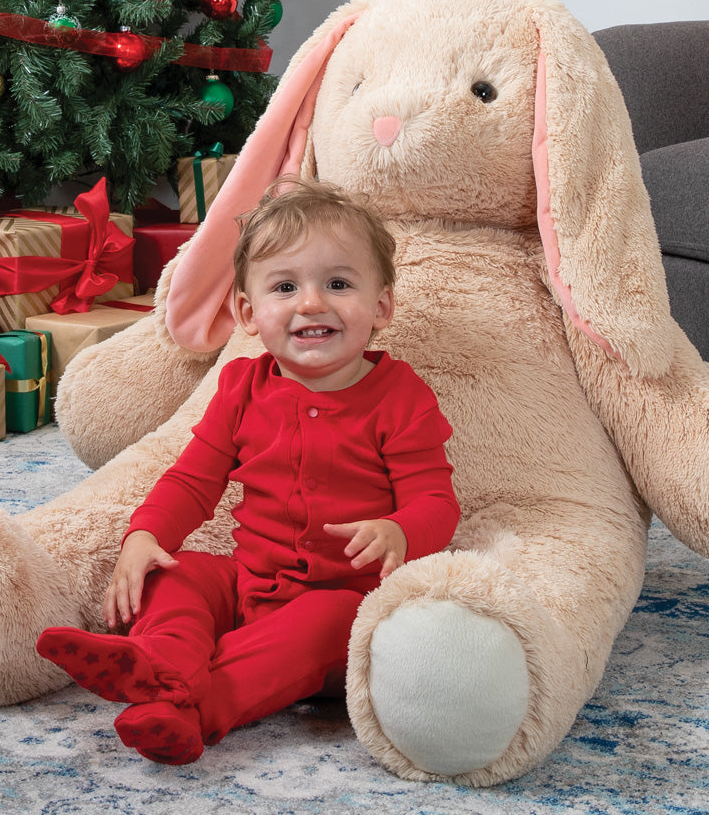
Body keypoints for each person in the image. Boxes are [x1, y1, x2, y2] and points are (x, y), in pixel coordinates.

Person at [36, 178, 461, 764]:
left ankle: (197, 703)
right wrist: (145, 536)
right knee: (174, 573)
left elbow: (437, 502)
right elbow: (191, 480)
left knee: (330, 621)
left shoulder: (400, 398)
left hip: (342, 595)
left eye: (338, 284)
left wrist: (402, 532)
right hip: (248, 580)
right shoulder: (241, 388)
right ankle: (164, 664)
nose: (311, 303)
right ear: (248, 313)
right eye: (285, 287)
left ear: (380, 306)